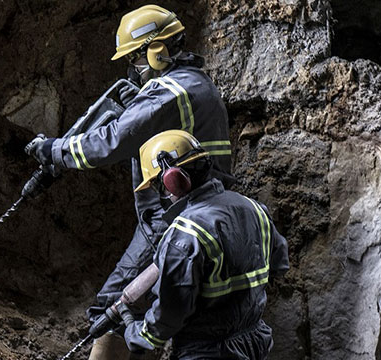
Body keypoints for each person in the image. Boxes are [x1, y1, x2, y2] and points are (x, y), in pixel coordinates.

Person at [24, 5, 235, 358]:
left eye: (136, 58)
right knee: (144, 312)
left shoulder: (169, 91)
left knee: (114, 311)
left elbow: (111, 142)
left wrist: (53, 150)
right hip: (197, 214)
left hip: (174, 221)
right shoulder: (196, 84)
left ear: (157, 50)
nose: (133, 68)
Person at [117, 130, 289, 359]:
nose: (163, 195)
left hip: (207, 352)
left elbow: (169, 315)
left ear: (173, 180)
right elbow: (278, 265)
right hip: (254, 341)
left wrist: (138, 333)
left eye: (160, 187)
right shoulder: (254, 208)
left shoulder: (184, 235)